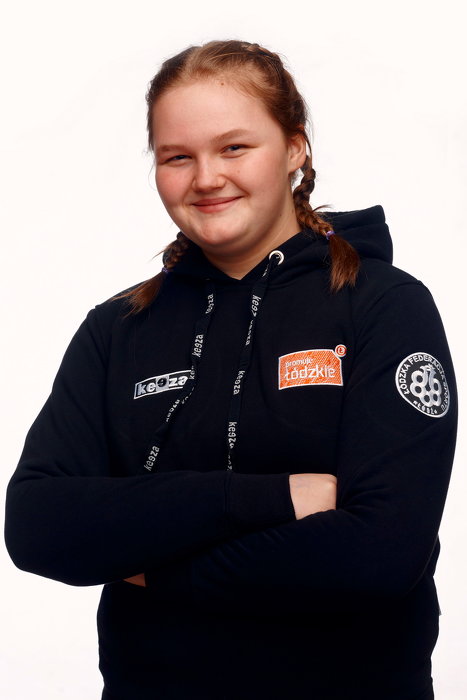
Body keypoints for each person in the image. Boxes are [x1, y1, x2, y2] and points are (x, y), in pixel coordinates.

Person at [4, 39, 457, 700]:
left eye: (234, 148)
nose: (206, 178)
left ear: (294, 149)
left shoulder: (383, 306)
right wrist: (271, 499)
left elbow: (381, 553)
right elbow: (37, 525)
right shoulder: (117, 329)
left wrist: (155, 569)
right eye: (177, 157)